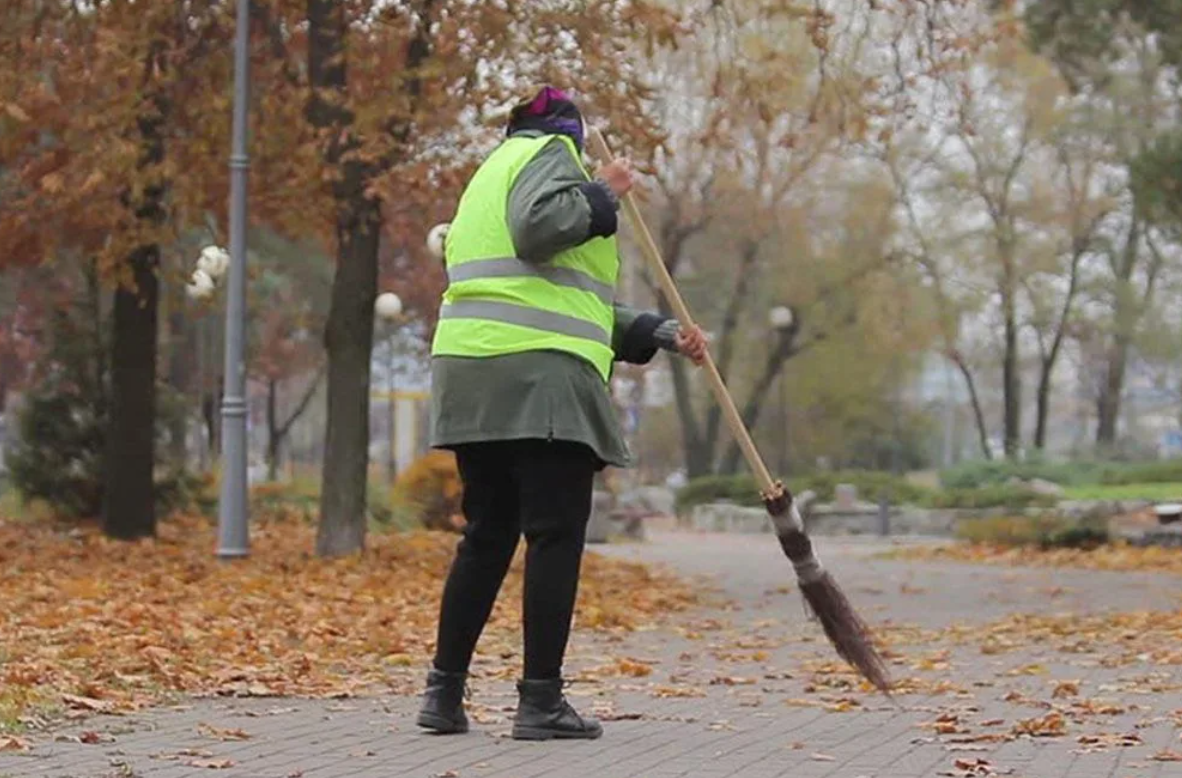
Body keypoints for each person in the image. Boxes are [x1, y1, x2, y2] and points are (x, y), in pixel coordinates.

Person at [418, 86, 707, 741]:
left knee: (487, 536)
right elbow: (540, 232)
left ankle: (443, 695)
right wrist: (602, 193)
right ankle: (540, 702)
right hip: (539, 380)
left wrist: (659, 332)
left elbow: (556, 301)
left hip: (474, 373)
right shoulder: (552, 153)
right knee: (554, 535)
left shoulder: (487, 177)